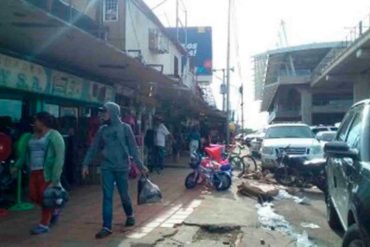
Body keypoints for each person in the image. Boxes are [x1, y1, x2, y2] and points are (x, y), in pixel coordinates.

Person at [82, 102, 148, 239]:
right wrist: (85, 164)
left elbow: (134, 149)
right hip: (106, 167)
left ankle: (130, 215)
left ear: (112, 112)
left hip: (122, 167)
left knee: (124, 194)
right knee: (107, 196)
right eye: (102, 112)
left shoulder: (125, 128)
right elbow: (93, 148)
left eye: (104, 112)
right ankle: (106, 226)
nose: (102, 115)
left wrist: (141, 166)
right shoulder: (102, 130)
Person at [13, 112, 65, 235]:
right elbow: (24, 153)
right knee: (33, 196)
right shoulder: (30, 136)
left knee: (45, 197)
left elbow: (59, 157)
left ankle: (44, 224)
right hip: (33, 171)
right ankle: (56, 207)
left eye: (36, 121)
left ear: (43, 122)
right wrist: (17, 166)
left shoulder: (54, 136)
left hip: (46, 172)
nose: (34, 124)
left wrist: (55, 178)